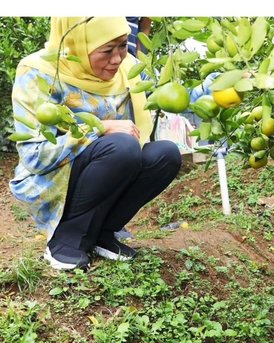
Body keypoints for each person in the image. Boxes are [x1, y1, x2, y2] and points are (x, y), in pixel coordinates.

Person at [9, 17, 181, 270]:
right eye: (106, 50)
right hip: (59, 173)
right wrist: (98, 128)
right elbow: (35, 156)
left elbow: (163, 98)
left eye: (122, 45)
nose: (117, 59)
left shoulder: (129, 68)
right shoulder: (39, 73)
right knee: (122, 147)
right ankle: (66, 238)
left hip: (112, 161)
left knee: (166, 154)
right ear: (77, 46)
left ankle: (103, 232)